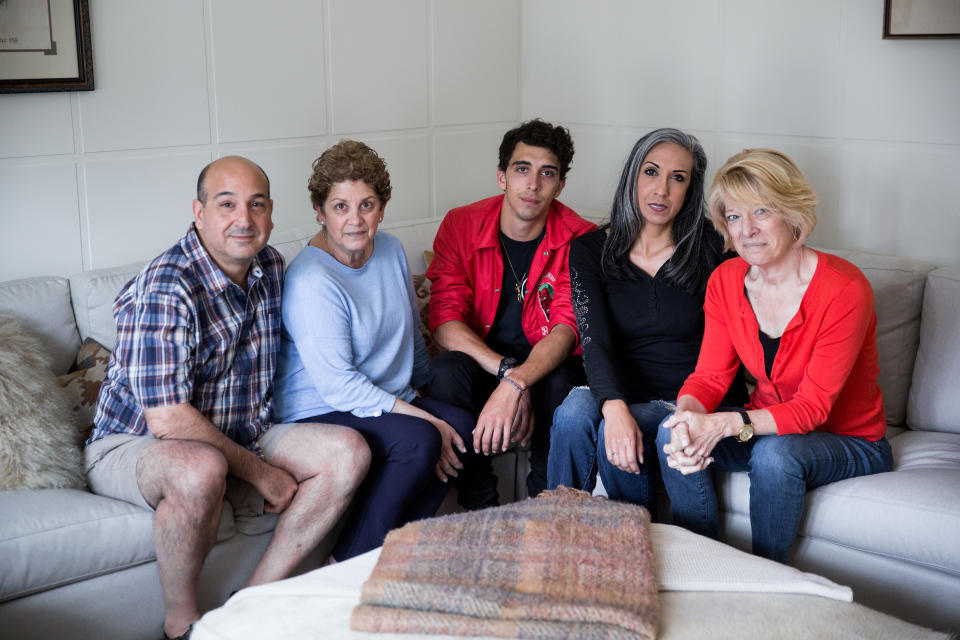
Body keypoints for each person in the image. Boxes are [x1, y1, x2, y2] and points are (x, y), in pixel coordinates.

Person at [85, 156, 370, 640]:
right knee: (199, 468)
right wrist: (264, 475)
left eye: (256, 205)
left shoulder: (271, 268)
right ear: (198, 213)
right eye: (227, 204)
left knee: (349, 451)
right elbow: (169, 420)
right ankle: (182, 625)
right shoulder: (167, 285)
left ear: (272, 213)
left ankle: (250, 606)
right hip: (133, 445)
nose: (244, 219)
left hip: (240, 432)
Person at [657, 148, 893, 563]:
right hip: (766, 426)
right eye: (734, 216)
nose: (747, 229)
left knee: (774, 454)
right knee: (669, 429)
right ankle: (702, 564)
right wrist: (689, 416)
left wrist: (727, 423)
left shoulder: (844, 289)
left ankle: (766, 580)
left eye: (761, 211)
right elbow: (710, 376)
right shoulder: (726, 280)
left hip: (849, 440)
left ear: (792, 212)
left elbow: (813, 408)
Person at [272, 140, 476, 560]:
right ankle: (349, 560)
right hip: (319, 407)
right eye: (340, 206)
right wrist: (423, 417)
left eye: (366, 205)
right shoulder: (311, 278)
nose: (355, 220)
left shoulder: (390, 250)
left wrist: (424, 395)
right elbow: (339, 386)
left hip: (383, 399)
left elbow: (411, 341)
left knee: (461, 429)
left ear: (382, 209)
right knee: (421, 438)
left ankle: (394, 549)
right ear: (319, 211)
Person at [546, 129, 745, 510]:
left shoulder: (715, 246)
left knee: (622, 420)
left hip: (690, 398)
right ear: (632, 176)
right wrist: (614, 405)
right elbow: (594, 341)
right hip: (623, 390)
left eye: (678, 178)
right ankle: (555, 529)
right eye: (651, 172)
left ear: (690, 189)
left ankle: (634, 536)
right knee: (573, 413)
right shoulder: (589, 250)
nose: (662, 190)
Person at [426, 119, 596, 507]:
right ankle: (478, 503)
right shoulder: (461, 225)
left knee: (563, 382)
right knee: (444, 371)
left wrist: (519, 384)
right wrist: (506, 374)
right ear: (502, 177)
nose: (533, 185)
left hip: (548, 371)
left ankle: (541, 506)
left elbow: (567, 329)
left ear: (560, 186)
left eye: (546, 174)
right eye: (522, 169)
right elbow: (444, 318)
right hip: (488, 367)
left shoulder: (581, 238)